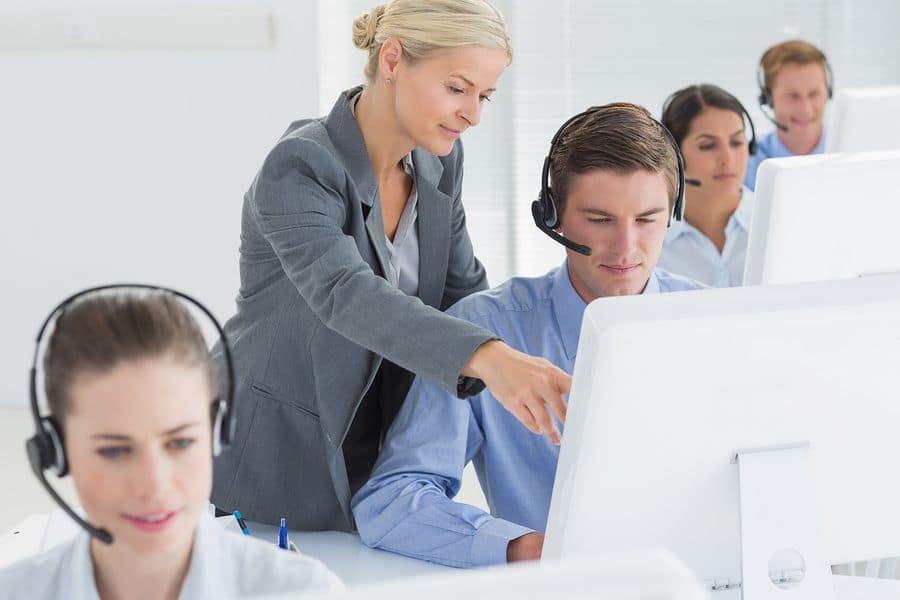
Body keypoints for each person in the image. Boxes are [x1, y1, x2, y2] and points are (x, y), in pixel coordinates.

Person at [210, 0, 573, 533]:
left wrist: (544, 368)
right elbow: (347, 294)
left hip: (378, 453)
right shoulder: (300, 167)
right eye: (457, 88)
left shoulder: (439, 161)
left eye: (484, 95)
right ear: (393, 60)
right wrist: (491, 358)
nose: (473, 114)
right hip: (275, 456)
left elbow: (464, 292)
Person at [351, 103, 705, 568]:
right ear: (552, 217)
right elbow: (390, 502)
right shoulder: (487, 332)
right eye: (600, 220)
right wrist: (527, 548)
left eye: (646, 219)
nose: (625, 247)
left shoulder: (713, 322)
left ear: (673, 213)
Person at [0, 288, 341, 599]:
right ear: (57, 452)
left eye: (180, 443)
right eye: (115, 451)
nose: (154, 484)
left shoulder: (303, 592)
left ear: (216, 433)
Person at [658, 84, 756, 287]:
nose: (727, 159)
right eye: (708, 145)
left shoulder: (777, 224)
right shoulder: (652, 238)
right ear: (675, 155)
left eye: (737, 142)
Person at [745, 39, 833, 190]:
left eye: (814, 94)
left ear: (828, 93)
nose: (806, 110)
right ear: (768, 99)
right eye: (792, 96)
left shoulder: (853, 154)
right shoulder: (745, 164)